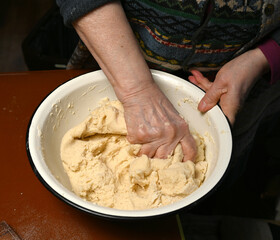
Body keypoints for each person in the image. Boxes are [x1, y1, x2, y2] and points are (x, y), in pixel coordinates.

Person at [56, 0, 280, 184]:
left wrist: (264, 56)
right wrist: (136, 90)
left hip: (244, 86)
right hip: (113, 57)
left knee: (226, 173)